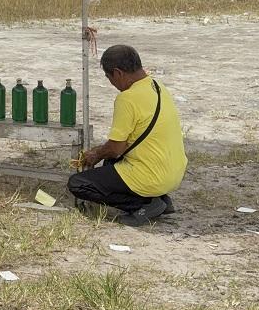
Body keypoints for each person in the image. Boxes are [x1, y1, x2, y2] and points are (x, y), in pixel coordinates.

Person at [68, 45, 187, 226]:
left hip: (152, 176)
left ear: (118, 73)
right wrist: (103, 152)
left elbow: (116, 149)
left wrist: (95, 154)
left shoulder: (127, 98)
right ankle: (162, 199)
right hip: (173, 172)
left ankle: (145, 204)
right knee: (110, 164)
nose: (111, 84)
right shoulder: (156, 85)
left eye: (109, 78)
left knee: (78, 183)